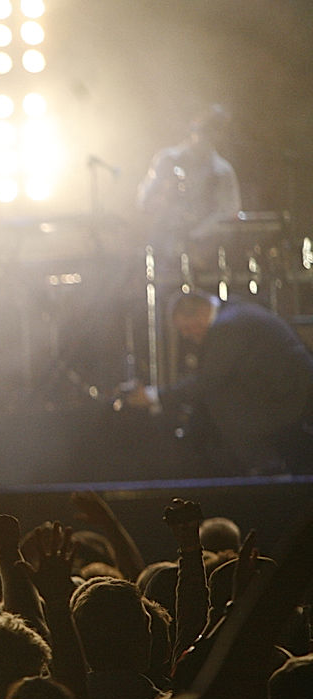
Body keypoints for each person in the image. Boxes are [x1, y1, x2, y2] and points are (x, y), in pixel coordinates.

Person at [125, 290, 313, 474]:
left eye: (186, 328)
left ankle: (265, 468)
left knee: (221, 403)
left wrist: (154, 396)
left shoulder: (227, 326)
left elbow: (208, 380)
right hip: (287, 390)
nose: (186, 336)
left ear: (199, 314)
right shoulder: (233, 311)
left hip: (289, 395)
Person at [137, 104, 242, 274]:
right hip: (165, 252)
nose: (211, 135)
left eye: (217, 129)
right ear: (194, 127)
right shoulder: (168, 160)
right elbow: (144, 201)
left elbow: (230, 211)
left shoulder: (222, 171)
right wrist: (163, 201)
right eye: (207, 128)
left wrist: (198, 236)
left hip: (206, 258)